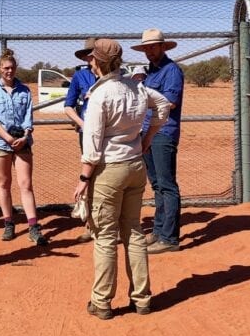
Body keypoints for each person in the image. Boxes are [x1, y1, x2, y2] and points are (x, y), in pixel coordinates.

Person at [73, 39, 171, 320]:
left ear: (100, 62)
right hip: (134, 165)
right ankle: (142, 299)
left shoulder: (100, 96)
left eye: (93, 59)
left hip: (109, 170)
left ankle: (101, 302)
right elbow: (162, 105)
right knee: (134, 231)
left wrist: (83, 178)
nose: (90, 62)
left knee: (104, 237)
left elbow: (91, 145)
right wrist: (147, 138)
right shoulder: (135, 87)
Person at [0, 48, 48, 246]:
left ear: (16, 68)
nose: (9, 71)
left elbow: (29, 118)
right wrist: (9, 139)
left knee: (26, 184)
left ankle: (33, 227)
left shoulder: (25, 91)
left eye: (12, 68)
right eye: (5, 68)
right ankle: (9, 223)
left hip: (23, 143)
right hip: (1, 143)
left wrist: (25, 136)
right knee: (4, 183)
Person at [131, 28, 184, 253]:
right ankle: (159, 231)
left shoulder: (171, 71)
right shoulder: (150, 73)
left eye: (153, 47)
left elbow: (170, 103)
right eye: (146, 48)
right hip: (146, 131)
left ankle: (169, 239)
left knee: (167, 185)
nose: (149, 51)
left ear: (163, 46)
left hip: (163, 132)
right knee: (157, 185)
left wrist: (143, 100)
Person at [64, 37, 98, 243]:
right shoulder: (80, 76)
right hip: (87, 134)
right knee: (89, 176)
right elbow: (68, 106)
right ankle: (91, 224)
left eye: (95, 54)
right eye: (89, 55)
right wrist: (82, 123)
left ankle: (113, 225)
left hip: (109, 135)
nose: (91, 58)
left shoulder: (115, 76)